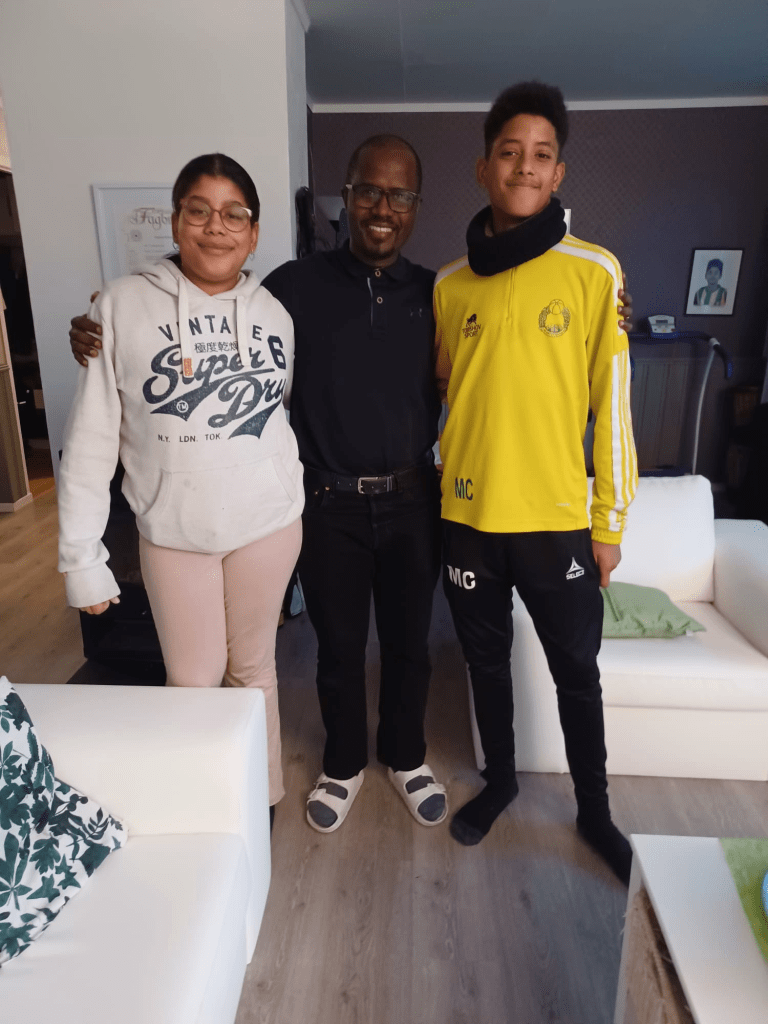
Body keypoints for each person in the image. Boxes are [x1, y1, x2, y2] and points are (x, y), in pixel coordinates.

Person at [69, 134, 633, 837]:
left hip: (414, 501)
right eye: (369, 191)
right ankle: (342, 764)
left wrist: (611, 311)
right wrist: (104, 319)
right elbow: (209, 290)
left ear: (416, 206)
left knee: (408, 646)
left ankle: (405, 756)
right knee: (337, 648)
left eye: (400, 195)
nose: (382, 208)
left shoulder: (436, 291)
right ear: (347, 196)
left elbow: (486, 358)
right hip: (327, 502)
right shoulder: (289, 288)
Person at [433, 82, 638, 884]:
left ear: (558, 174)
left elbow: (612, 407)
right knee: (485, 666)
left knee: (576, 676)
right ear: (484, 167)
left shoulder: (595, 272)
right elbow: (446, 392)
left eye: (541, 155)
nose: (524, 166)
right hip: (469, 518)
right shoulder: (450, 284)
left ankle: (595, 811)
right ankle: (502, 782)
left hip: (557, 523)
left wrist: (609, 521)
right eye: (509, 152)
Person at [59, 153, 303, 819]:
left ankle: (261, 797)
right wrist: (81, 558)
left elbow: (279, 415)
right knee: (192, 680)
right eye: (199, 211)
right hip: (172, 532)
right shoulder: (119, 307)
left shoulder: (275, 316)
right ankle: (203, 802)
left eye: (234, 214)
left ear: (253, 232)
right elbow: (90, 442)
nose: (216, 226)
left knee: (253, 671)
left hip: (267, 526)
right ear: (176, 222)